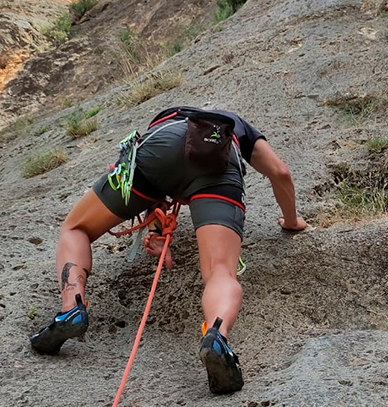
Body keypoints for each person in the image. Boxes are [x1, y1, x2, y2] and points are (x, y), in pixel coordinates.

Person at [31, 105, 307, 394]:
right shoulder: (236, 124)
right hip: (217, 162)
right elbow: (280, 172)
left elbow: (157, 183)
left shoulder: (168, 119)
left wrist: (156, 229)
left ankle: (71, 309)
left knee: (76, 228)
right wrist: (291, 221)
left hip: (159, 148)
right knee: (220, 271)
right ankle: (217, 336)